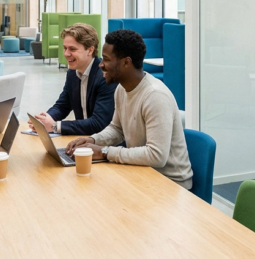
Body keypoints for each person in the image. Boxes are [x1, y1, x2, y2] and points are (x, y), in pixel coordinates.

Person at [65, 29, 193, 189]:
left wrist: (104, 151)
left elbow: (156, 156)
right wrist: (93, 140)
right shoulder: (122, 89)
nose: (101, 64)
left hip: (170, 184)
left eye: (106, 59)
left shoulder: (155, 96)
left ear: (126, 62)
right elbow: (117, 129)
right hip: (143, 174)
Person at [28, 23, 116, 135]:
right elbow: (62, 105)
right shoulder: (72, 73)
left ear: (90, 50)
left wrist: (55, 126)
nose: (66, 54)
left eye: (72, 49)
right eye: (65, 48)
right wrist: (45, 120)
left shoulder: (105, 77)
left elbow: (99, 123)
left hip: (103, 144)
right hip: (83, 140)